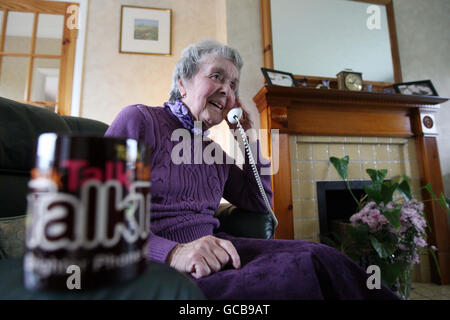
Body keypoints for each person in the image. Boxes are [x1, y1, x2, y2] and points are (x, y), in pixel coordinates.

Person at [105, 39, 399, 300]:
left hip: (220, 250)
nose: (226, 90)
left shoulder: (213, 153)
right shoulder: (140, 120)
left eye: (233, 85)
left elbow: (260, 204)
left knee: (321, 257)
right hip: (163, 261)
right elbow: (100, 215)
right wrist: (173, 252)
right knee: (295, 280)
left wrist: (247, 136)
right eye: (217, 76)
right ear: (182, 82)